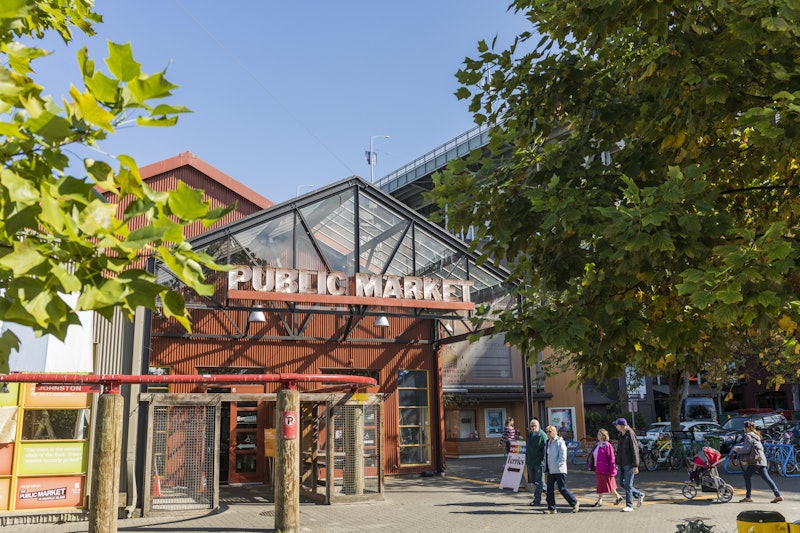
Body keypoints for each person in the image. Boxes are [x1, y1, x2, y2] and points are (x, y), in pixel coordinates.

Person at [733, 420, 783, 503]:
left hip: (754, 460)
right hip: (761, 459)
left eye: (744, 427)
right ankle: (778, 495)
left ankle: (748, 497)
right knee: (767, 478)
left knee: (747, 476)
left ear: (747, 428)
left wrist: (737, 450)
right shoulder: (756, 436)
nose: (744, 429)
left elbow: (747, 449)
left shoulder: (748, 436)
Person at [543, 424, 580, 514]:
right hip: (551, 469)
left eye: (550, 431)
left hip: (559, 469)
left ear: (555, 432)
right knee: (549, 489)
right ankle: (551, 508)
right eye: (547, 431)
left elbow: (563, 456)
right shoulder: (548, 442)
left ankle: (574, 502)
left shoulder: (560, 441)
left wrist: (557, 465)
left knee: (562, 489)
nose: (548, 433)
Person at [614, 417, 645, 512]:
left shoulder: (630, 434)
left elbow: (635, 450)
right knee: (622, 483)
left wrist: (635, 465)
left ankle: (629, 505)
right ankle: (639, 494)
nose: (616, 426)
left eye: (617, 425)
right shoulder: (621, 434)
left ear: (622, 426)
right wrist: (617, 462)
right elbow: (619, 450)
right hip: (622, 463)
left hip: (629, 463)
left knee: (627, 484)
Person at [587, 428, 622, 506]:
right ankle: (618, 497)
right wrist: (591, 465)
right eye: (598, 434)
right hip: (598, 467)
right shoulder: (597, 444)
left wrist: (612, 469)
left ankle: (600, 501)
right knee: (605, 485)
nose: (598, 435)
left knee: (604, 485)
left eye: (600, 434)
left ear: (604, 436)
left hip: (605, 468)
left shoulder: (607, 445)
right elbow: (593, 456)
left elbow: (611, 458)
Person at [526, 418, 547, 506]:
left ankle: (537, 499)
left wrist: (544, 461)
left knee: (539, 482)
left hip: (539, 462)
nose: (533, 427)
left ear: (538, 426)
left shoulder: (542, 435)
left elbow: (545, 450)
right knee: (534, 481)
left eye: (535, 426)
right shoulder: (531, 434)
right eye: (532, 426)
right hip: (530, 462)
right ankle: (548, 492)